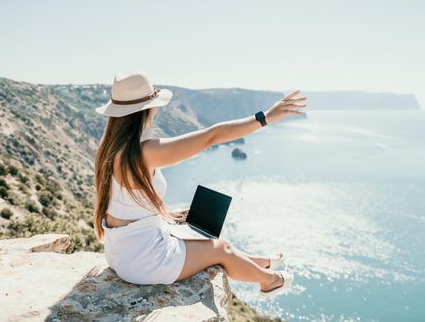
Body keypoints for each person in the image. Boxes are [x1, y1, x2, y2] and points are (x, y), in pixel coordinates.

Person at [93, 71, 306, 297]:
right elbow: (211, 136)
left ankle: (257, 262)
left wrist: (166, 215)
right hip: (143, 262)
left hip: (121, 252)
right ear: (146, 110)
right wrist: (265, 117)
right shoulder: (143, 153)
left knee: (198, 232)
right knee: (221, 248)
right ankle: (270, 281)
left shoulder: (109, 149)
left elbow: (122, 206)